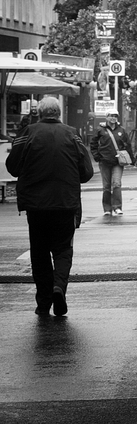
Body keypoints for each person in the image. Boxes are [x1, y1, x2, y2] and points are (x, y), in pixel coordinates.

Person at [5, 96, 93, 316]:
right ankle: (58, 287)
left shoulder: (27, 133)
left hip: (36, 205)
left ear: (40, 113)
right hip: (66, 202)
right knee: (63, 250)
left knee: (40, 252)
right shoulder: (73, 134)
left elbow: (13, 167)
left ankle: (44, 301)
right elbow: (87, 172)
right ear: (59, 113)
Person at [90, 111, 134, 216]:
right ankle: (107, 209)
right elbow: (93, 143)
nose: (113, 118)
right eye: (111, 116)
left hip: (118, 162)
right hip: (104, 161)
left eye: (115, 116)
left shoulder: (121, 130)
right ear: (107, 117)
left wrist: (132, 159)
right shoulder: (100, 130)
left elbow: (127, 145)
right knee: (106, 186)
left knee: (117, 184)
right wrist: (97, 156)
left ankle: (117, 207)